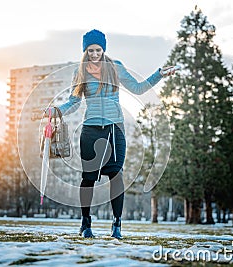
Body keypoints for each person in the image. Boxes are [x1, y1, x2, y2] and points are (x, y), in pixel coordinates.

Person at [48, 29, 175, 239]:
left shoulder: (115, 67)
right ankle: (86, 224)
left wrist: (159, 74)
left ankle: (117, 225)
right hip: (90, 130)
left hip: (115, 130)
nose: (95, 54)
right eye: (90, 50)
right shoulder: (80, 73)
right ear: (85, 50)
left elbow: (138, 88)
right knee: (88, 178)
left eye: (98, 50)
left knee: (116, 176)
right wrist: (56, 111)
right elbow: (74, 101)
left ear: (103, 49)